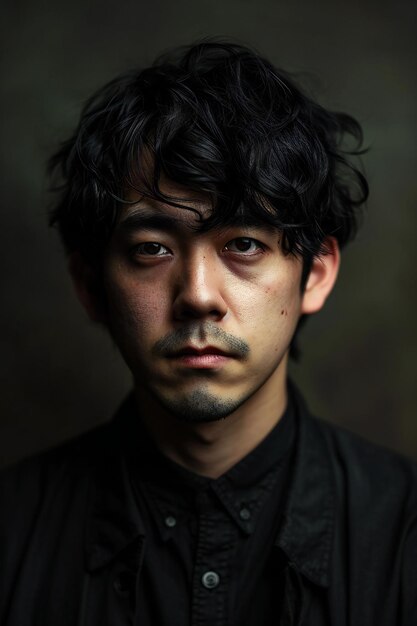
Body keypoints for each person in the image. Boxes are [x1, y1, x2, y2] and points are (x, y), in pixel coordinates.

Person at [0, 40, 416, 626]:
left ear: (315, 275)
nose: (197, 295)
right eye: (152, 249)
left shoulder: (405, 535)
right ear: (91, 286)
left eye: (243, 244)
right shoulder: (13, 531)